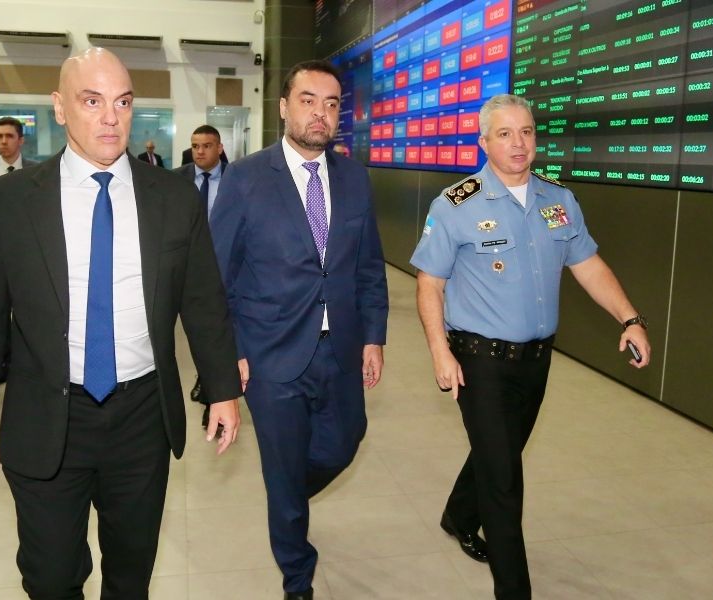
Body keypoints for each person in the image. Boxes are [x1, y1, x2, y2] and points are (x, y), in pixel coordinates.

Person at [0, 47, 242, 599]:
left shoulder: (173, 197)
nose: (111, 117)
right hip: (47, 414)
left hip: (142, 417)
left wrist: (223, 389)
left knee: (131, 574)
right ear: (60, 107)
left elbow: (203, 301)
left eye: (123, 102)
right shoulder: (10, 202)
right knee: (51, 577)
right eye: (92, 102)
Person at [410, 93, 651, 600]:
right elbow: (429, 282)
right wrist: (439, 351)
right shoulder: (456, 205)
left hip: (536, 360)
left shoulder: (558, 201)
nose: (518, 143)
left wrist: (629, 318)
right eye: (505, 134)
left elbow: (588, 265)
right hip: (478, 360)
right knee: (504, 480)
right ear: (484, 142)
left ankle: (458, 514)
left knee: (498, 453)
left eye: (526, 132)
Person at [210, 59, 389, 600]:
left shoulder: (354, 178)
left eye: (331, 104)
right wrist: (230, 353)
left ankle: (285, 495)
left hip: (341, 348)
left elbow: (368, 266)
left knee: (342, 444)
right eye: (308, 101)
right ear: (284, 107)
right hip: (270, 355)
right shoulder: (245, 179)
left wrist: (374, 335)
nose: (320, 113)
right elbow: (217, 278)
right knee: (286, 467)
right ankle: (298, 578)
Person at [175, 124, 227, 427]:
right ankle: (205, 378)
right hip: (187, 270)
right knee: (197, 332)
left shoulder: (236, 179)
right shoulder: (176, 180)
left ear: (219, 148)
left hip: (224, 269)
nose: (200, 151)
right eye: (195, 146)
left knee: (217, 333)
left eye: (207, 146)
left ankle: (212, 395)